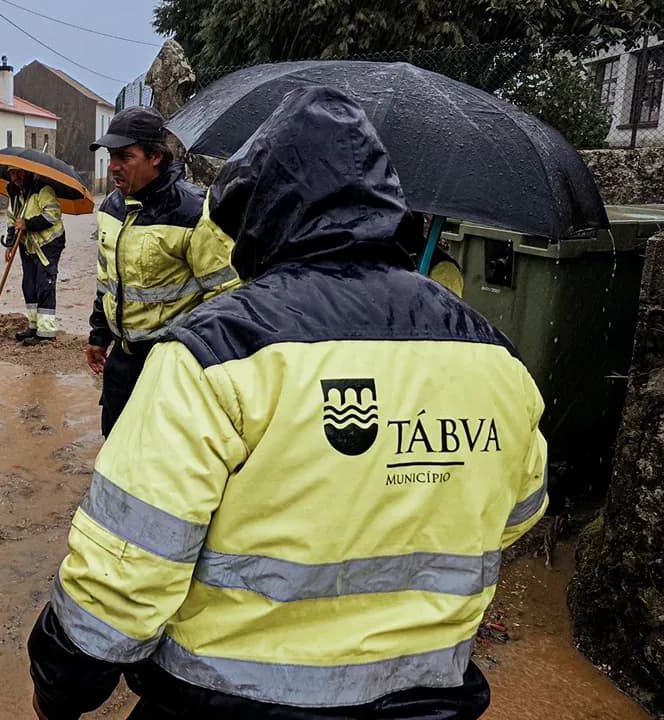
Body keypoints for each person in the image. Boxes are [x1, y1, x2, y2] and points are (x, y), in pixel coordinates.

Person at [28, 86, 549, 720]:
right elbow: (519, 512)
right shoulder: (495, 357)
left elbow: (127, 571)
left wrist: (60, 686)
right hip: (427, 699)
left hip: (226, 702)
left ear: (257, 216)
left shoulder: (211, 357)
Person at [87, 106, 239, 437]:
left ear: (156, 157)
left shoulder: (193, 213)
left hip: (172, 366)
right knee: (114, 444)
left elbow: (226, 296)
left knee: (160, 459)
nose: (113, 166)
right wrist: (99, 335)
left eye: (125, 156)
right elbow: (106, 281)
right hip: (122, 360)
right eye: (111, 156)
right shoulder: (111, 208)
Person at [5, 168, 64, 345]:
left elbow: (52, 216)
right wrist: (10, 243)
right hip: (28, 246)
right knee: (28, 285)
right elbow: (11, 220)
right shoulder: (15, 194)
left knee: (44, 285)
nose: (16, 177)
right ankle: (34, 325)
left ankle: (46, 333)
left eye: (19, 173)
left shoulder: (43, 190)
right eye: (12, 174)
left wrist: (28, 224)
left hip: (48, 245)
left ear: (28, 173)